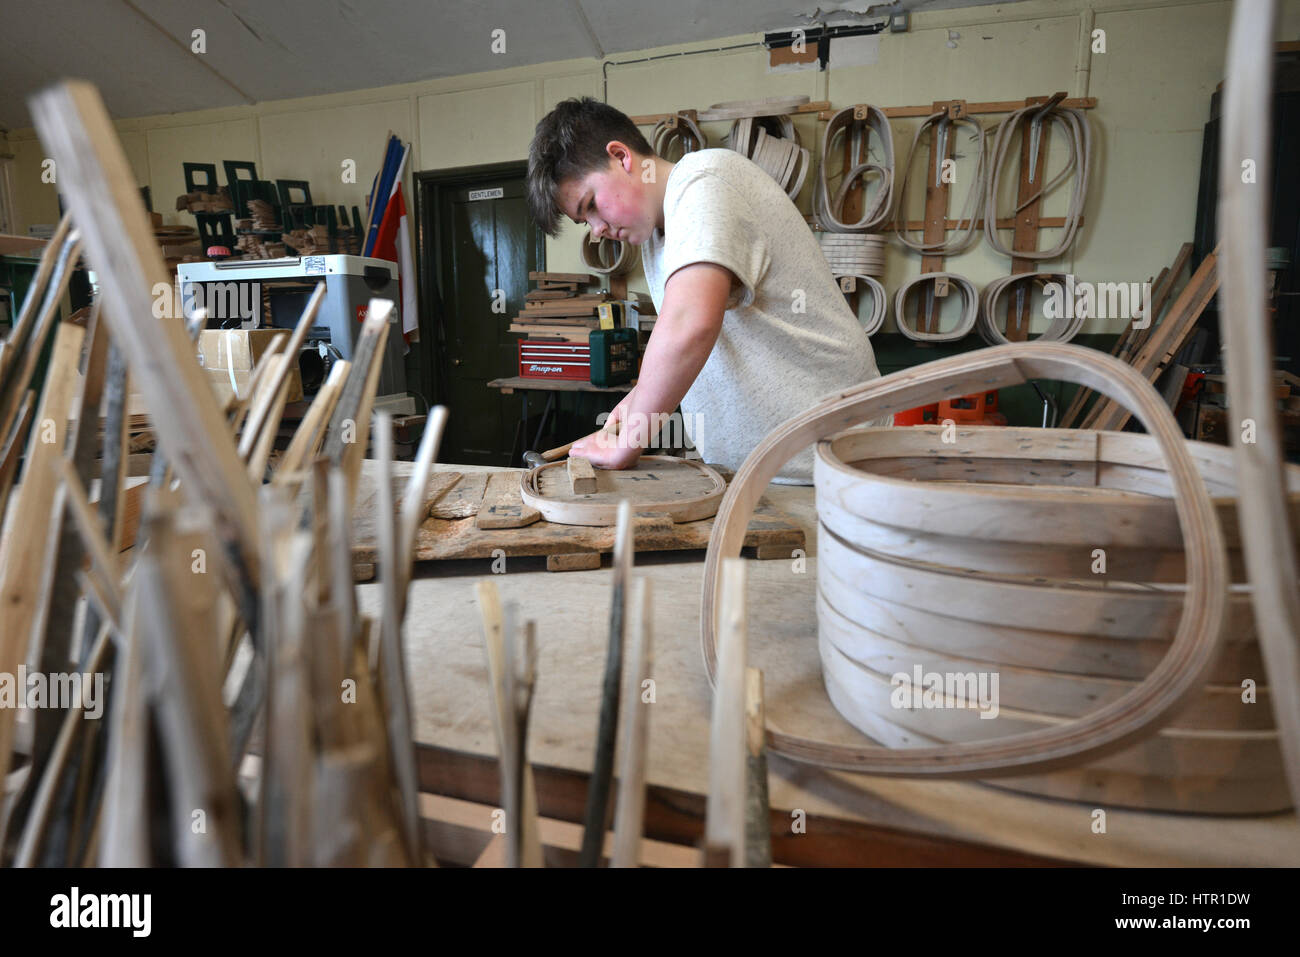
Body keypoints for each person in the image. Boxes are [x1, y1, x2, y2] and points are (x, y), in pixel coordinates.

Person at [525, 97, 883, 483]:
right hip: (771, 475)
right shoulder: (659, 235)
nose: (597, 229)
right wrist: (636, 401)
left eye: (591, 204)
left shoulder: (703, 179)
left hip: (835, 468)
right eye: (585, 221)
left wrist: (629, 440)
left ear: (620, 156)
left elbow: (690, 324)